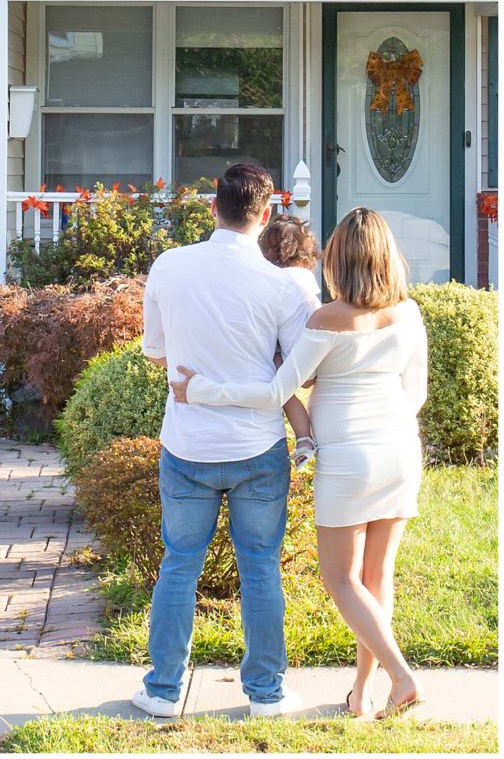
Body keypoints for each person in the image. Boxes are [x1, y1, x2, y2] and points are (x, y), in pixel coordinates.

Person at [169, 207, 427, 720]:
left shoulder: (327, 319)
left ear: (337, 259)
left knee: (341, 579)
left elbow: (274, 392)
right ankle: (363, 694)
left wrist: (200, 390)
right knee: (377, 578)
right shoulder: (409, 313)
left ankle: (401, 677)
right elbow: (414, 395)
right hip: (400, 449)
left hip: (349, 458)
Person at [132, 163, 314, 719]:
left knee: (179, 564)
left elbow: (156, 352)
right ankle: (266, 694)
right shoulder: (282, 285)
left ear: (213, 207)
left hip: (187, 445)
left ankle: (163, 690)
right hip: (258, 446)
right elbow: (301, 371)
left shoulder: (168, 266)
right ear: (264, 216)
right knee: (260, 566)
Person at [258, 214, 323, 471]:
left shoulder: (282, 279)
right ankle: (305, 438)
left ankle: (304, 437)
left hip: (299, 357)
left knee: (268, 365)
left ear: (272, 252)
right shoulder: (305, 277)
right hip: (313, 351)